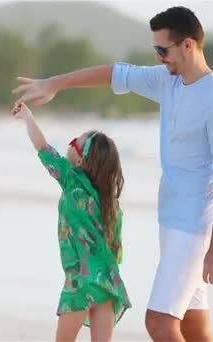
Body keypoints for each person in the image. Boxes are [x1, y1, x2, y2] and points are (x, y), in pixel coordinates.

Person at [13, 6, 213, 342]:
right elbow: (114, 73)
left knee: (159, 323)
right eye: (156, 50)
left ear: (188, 45)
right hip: (171, 222)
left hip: (194, 228)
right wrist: (55, 84)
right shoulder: (168, 82)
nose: (160, 58)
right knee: (194, 326)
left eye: (164, 50)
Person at [11, 102, 131, 342]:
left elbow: (43, 147)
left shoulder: (72, 181)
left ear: (81, 160)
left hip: (80, 281)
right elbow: (117, 251)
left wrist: (28, 117)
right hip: (108, 282)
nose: (70, 142)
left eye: (76, 140)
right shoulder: (111, 205)